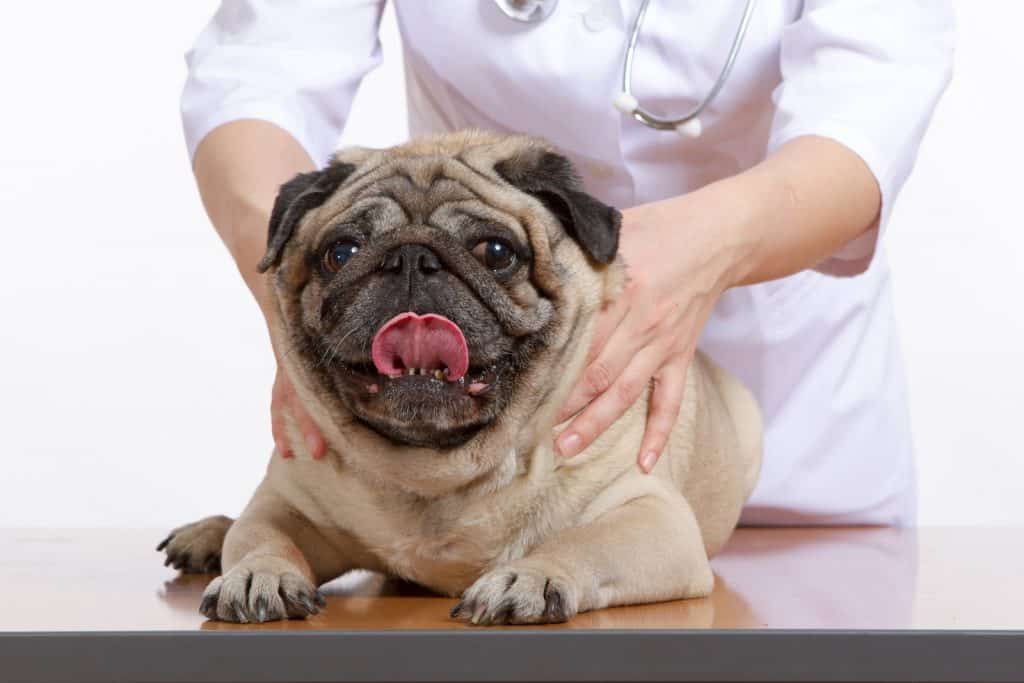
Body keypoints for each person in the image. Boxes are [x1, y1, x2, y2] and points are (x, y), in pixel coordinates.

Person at [181, 1, 955, 526]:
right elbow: (259, 73)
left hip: (793, 449)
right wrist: (291, 290)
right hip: (462, 462)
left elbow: (872, 101)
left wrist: (704, 249)